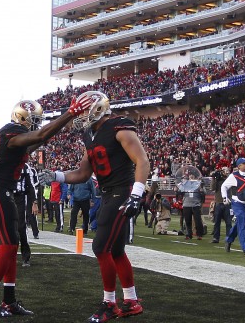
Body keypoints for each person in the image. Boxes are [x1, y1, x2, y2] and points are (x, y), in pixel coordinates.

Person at [0, 96, 94, 318]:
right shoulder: (10, 131)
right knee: (9, 246)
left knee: (12, 247)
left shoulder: (15, 135)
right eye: (35, 120)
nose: (37, 124)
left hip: (5, 192)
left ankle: (9, 301)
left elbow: (40, 139)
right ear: (23, 117)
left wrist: (62, 125)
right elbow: (40, 135)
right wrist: (69, 113)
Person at [43, 91, 149, 322]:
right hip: (109, 193)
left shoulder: (118, 126)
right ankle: (131, 301)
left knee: (101, 248)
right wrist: (55, 175)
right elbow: (82, 173)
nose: (80, 117)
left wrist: (137, 193)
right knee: (117, 250)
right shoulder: (90, 134)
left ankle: (110, 305)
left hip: (122, 191)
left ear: (98, 108)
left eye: (82, 111)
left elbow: (142, 160)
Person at [15, 161, 40, 266]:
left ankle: (26, 257)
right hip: (8, 196)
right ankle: (7, 255)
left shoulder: (25, 167)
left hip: (21, 197)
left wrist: (34, 202)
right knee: (7, 227)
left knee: (21, 227)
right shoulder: (6, 164)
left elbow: (31, 185)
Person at [177, 172, 205, 240]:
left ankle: (199, 234)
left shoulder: (198, 184)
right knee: (187, 220)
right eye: (190, 177)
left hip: (196, 204)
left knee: (198, 221)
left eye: (192, 177)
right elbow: (179, 192)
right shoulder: (185, 185)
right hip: (187, 204)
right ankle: (189, 234)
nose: (191, 178)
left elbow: (204, 192)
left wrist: (201, 187)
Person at [210, 167, 232, 243]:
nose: (226, 172)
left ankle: (229, 238)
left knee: (228, 222)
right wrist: (214, 178)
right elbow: (212, 188)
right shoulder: (218, 180)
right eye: (225, 171)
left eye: (227, 170)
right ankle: (216, 237)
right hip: (219, 202)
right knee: (217, 222)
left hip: (227, 203)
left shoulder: (229, 179)